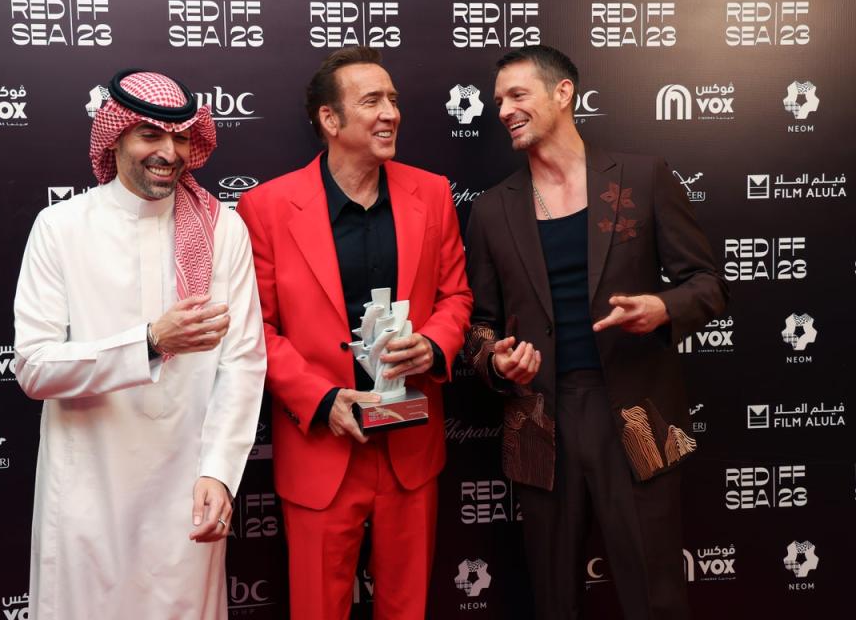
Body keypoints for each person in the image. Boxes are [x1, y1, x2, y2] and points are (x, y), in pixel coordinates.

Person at [463, 45, 727, 619]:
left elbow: (708, 284)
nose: (503, 110)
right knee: (553, 598)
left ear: (563, 94)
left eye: (517, 95)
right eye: (497, 101)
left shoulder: (641, 176)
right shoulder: (490, 211)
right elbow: (479, 325)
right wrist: (496, 362)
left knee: (655, 595)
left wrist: (661, 305)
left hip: (636, 411)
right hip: (539, 420)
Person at [13, 69, 266, 620]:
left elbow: (243, 363)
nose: (168, 152)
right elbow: (34, 368)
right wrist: (151, 342)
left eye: (179, 137)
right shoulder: (60, 227)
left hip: (185, 487)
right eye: (150, 135)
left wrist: (220, 472)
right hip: (87, 488)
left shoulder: (223, 229)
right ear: (115, 136)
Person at [236, 46, 472, 620]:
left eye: (393, 99)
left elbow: (456, 297)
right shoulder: (265, 207)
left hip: (409, 447)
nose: (390, 112)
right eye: (372, 101)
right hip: (323, 445)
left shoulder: (433, 193)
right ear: (330, 120)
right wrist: (321, 400)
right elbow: (255, 329)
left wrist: (434, 343)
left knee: (407, 608)